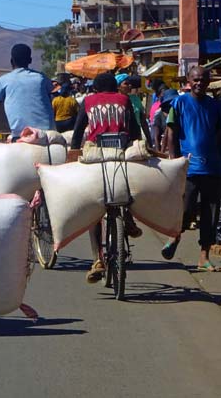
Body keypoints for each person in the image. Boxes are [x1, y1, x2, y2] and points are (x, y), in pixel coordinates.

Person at [70, 72, 142, 283]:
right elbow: (135, 131)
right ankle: (128, 219)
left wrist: (73, 152)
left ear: (95, 89)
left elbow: (78, 130)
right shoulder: (124, 100)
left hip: (97, 157)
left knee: (94, 210)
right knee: (129, 185)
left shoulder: (88, 101)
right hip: (121, 155)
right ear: (115, 87)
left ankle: (97, 259)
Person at [162, 67, 221, 271]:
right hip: (189, 167)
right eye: (195, 79)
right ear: (188, 80)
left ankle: (204, 256)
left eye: (203, 80)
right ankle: (175, 236)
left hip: (213, 168)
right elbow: (171, 132)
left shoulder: (215, 106)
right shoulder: (179, 103)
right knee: (186, 209)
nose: (199, 83)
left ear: (208, 82)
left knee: (210, 214)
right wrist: (175, 160)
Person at [0, 43, 55, 140]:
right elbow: (49, 99)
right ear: (30, 60)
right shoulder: (41, 78)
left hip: (20, 134)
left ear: (11, 61)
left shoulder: (3, 80)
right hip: (47, 132)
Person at [116, 73, 152, 146]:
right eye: (126, 84)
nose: (130, 85)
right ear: (118, 87)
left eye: (130, 84)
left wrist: (149, 140)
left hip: (135, 135)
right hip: (119, 135)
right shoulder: (115, 101)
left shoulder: (135, 99)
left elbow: (143, 121)